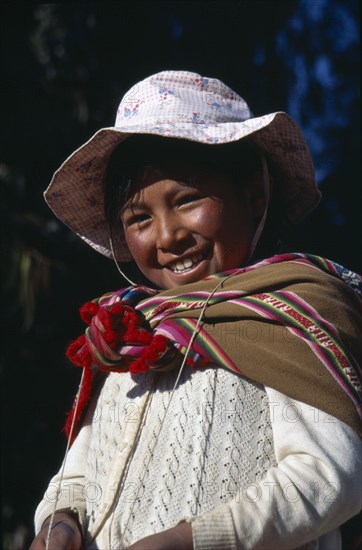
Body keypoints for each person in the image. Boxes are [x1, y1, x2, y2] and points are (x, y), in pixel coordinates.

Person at [30, 70, 361, 550]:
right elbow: (79, 474)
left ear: (254, 195)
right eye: (139, 218)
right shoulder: (130, 338)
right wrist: (59, 522)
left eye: (187, 200)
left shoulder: (290, 320)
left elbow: (332, 474)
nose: (167, 236)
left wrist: (194, 539)